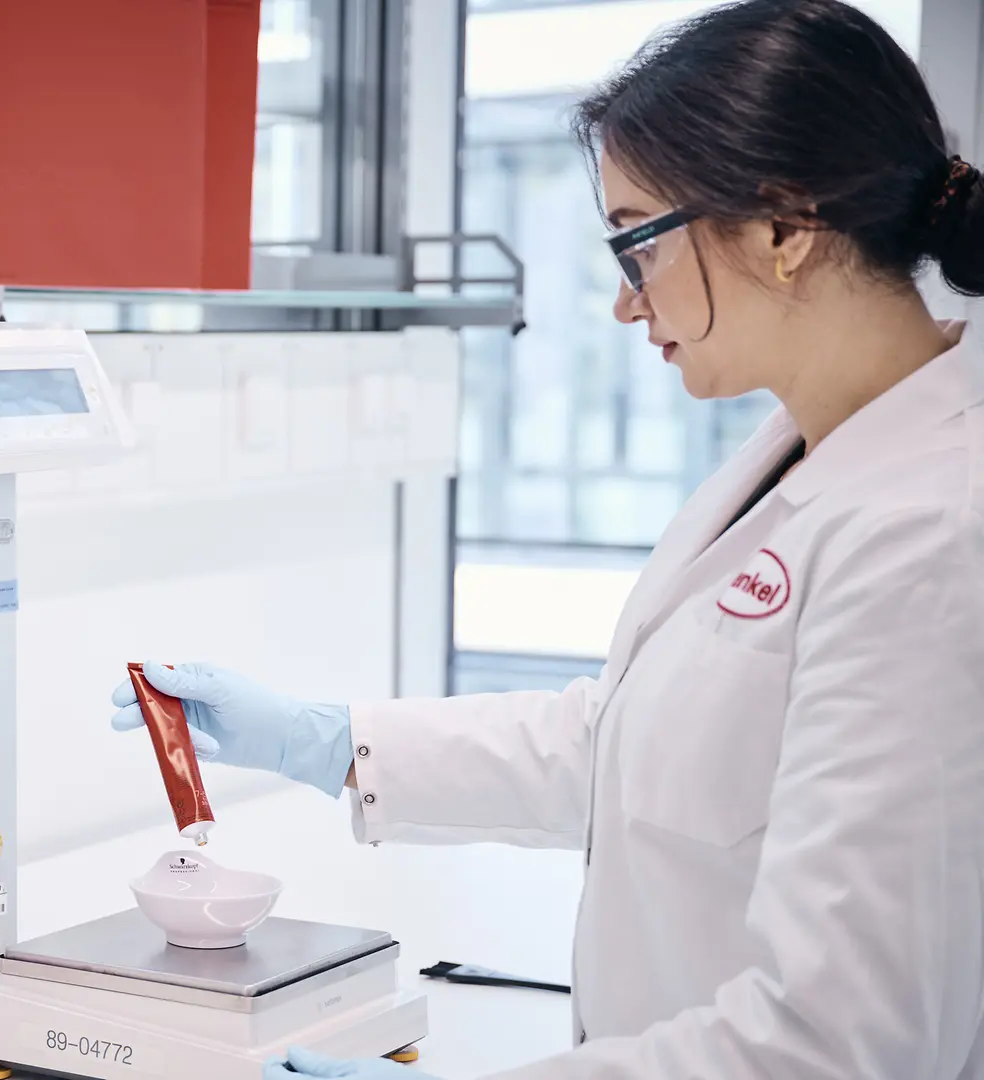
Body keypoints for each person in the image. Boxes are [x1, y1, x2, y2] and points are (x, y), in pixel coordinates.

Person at [111, 0, 984, 1076]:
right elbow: (640, 746)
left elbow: (842, 1045)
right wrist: (330, 741)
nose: (626, 305)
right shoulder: (797, 455)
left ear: (782, 229)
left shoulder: (932, 535)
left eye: (639, 241)